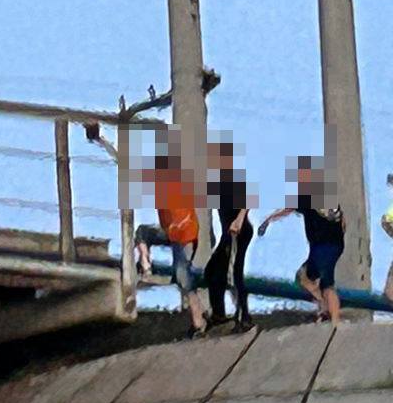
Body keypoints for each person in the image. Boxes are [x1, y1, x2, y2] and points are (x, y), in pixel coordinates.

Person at [257, 155, 346, 328]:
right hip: (333, 245)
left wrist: (267, 220)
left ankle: (335, 322)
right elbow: (344, 221)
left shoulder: (306, 194)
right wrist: (337, 239)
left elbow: (286, 208)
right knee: (305, 277)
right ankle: (325, 310)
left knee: (327, 284)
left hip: (322, 246)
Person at [136, 151, 208, 338]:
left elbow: (184, 220)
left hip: (185, 237)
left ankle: (199, 323)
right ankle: (146, 265)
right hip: (172, 234)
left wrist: (172, 228)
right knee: (142, 232)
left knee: (183, 277)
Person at [204, 137, 255, 333]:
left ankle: (244, 317)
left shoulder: (231, 176)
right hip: (229, 233)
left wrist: (239, 220)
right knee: (212, 271)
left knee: (234, 274)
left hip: (238, 232)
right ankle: (219, 314)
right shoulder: (216, 180)